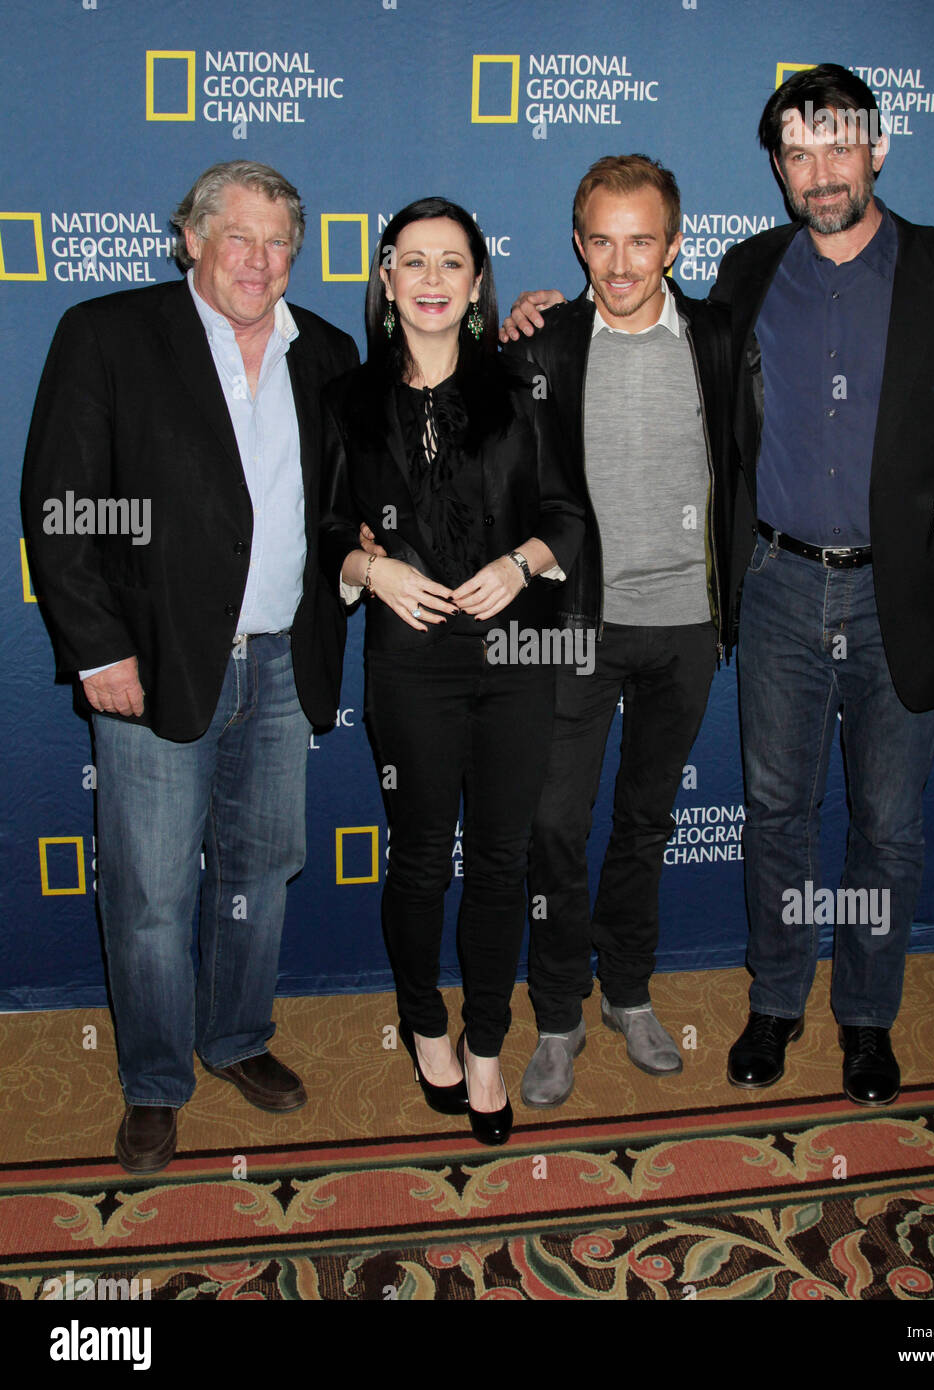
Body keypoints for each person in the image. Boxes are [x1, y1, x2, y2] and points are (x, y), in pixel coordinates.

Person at [20, 160, 360, 1174]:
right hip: (152, 666)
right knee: (152, 892)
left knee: (260, 874)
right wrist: (97, 648)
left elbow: (344, 502)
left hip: (284, 669)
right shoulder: (110, 336)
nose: (258, 261)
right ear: (192, 241)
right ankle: (157, 1081)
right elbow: (63, 506)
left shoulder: (330, 354)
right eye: (238, 238)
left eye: (278, 243)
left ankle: (238, 1038)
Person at [709, 66, 934, 1104]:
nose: (820, 170)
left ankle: (868, 1018)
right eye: (796, 154)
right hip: (781, 586)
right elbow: (661, 360)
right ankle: (777, 998)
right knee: (775, 811)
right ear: (778, 169)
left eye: (837, 145)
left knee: (889, 826)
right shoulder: (748, 272)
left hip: (914, 595)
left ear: (878, 148)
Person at [320, 198, 585, 1146]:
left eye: (453, 264)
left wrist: (519, 566)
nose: (432, 279)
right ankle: (422, 1020)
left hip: (518, 657)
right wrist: (371, 568)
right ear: (386, 281)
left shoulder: (523, 386)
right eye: (413, 262)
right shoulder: (347, 399)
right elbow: (321, 534)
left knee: (503, 862)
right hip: (410, 661)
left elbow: (570, 519)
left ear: (478, 286)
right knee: (424, 858)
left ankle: (483, 1042)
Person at [500, 156, 738, 1107]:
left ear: (676, 244)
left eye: (642, 239)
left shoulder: (720, 340)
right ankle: (558, 1013)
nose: (621, 261)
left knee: (645, 822)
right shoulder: (543, 342)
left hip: (684, 628)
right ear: (577, 243)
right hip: (574, 626)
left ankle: (629, 993)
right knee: (555, 827)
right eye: (601, 239)